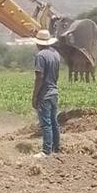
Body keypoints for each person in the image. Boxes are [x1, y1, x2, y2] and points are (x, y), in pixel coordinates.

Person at [32, 29, 61, 158]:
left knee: (46, 123)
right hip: (54, 91)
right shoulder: (55, 54)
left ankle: (46, 151)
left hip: (45, 93)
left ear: (38, 43)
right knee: (54, 121)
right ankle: (56, 147)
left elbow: (39, 77)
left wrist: (35, 96)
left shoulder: (41, 56)